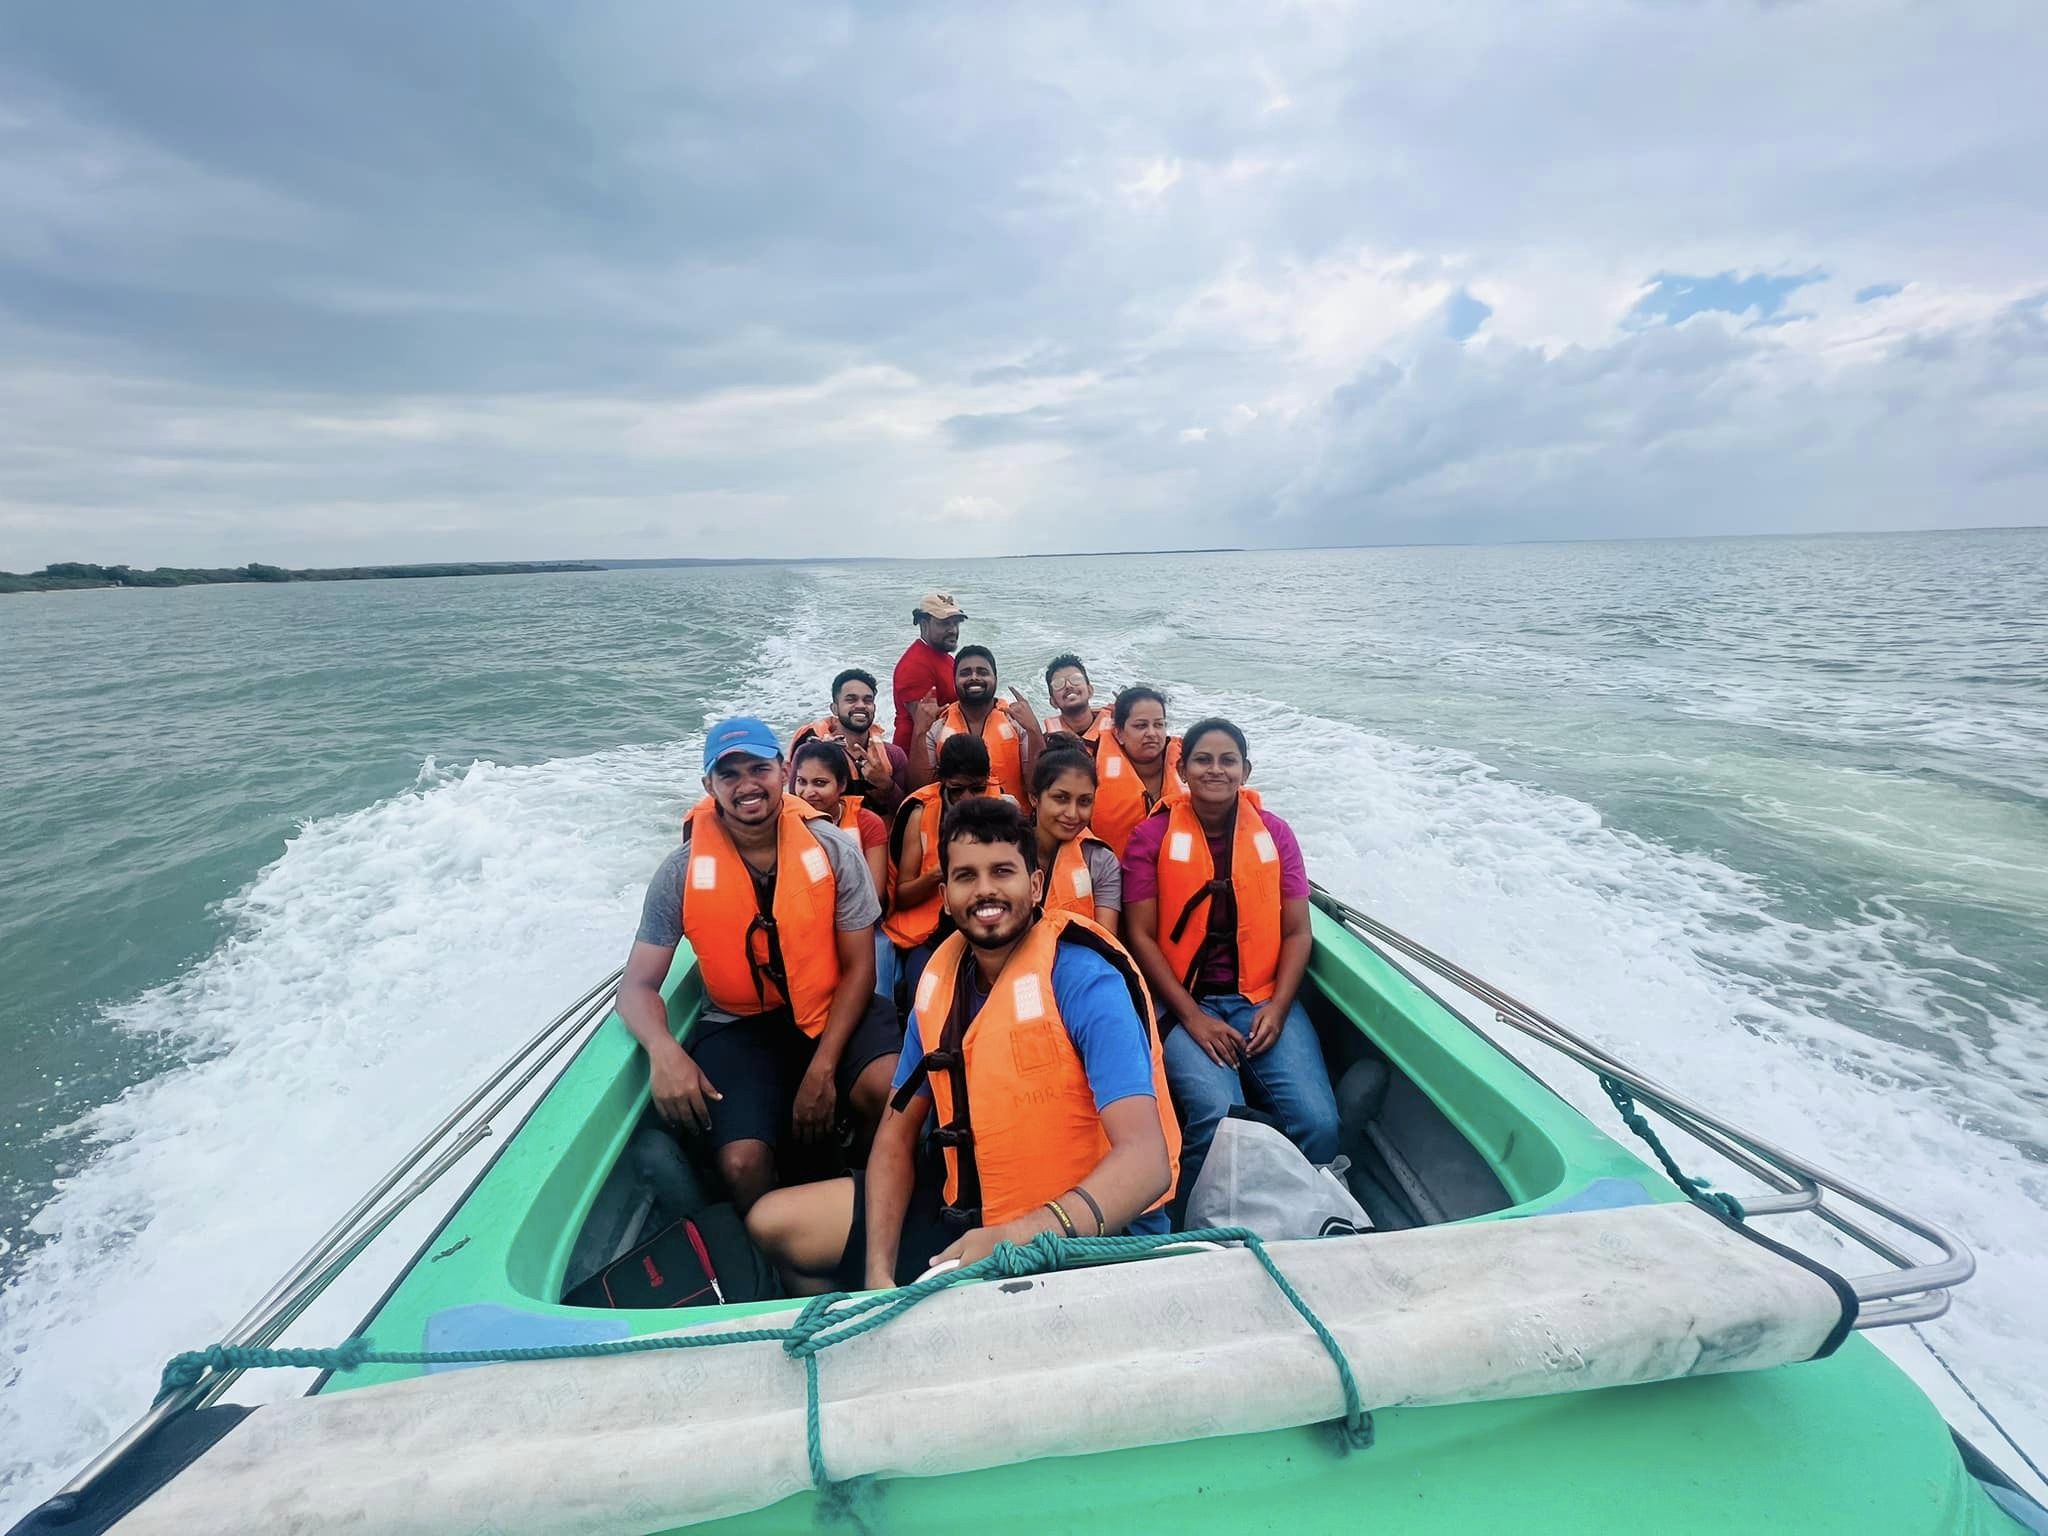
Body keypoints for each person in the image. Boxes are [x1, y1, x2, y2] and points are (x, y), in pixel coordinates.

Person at [746, 796, 1179, 1292]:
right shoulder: (941, 983)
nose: (985, 890)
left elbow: (1146, 1163)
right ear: (946, 895)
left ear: (1035, 885)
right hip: (972, 1213)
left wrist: (1016, 1236)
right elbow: (894, 1135)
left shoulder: (1084, 982)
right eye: (966, 876)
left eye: (1003, 871)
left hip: (1088, 1235)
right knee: (774, 1224)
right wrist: (878, 1272)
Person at [617, 717, 902, 1214]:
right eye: (729, 774)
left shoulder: (834, 850)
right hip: (740, 1026)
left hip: (832, 1010)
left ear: (783, 771)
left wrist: (823, 1068)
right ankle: (773, 1243)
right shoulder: (680, 872)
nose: (746, 784)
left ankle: (863, 1189)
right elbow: (637, 987)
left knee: (889, 1090)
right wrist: (664, 1050)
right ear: (709, 786)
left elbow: (861, 969)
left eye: (758, 769)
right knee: (741, 1164)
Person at [1119, 717, 1339, 1213]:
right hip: (1183, 1005)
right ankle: (1200, 1223)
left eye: (1227, 761)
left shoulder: (1276, 834)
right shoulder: (1151, 836)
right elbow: (1141, 936)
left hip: (1262, 998)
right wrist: (1193, 1018)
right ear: (1182, 769)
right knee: (1218, 1118)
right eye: (1202, 760)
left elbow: (1297, 932)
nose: (1215, 770)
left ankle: (1299, 1217)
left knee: (1319, 1123)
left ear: (1246, 770)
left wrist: (1278, 1008)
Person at [883, 733, 998, 1009]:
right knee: (924, 998)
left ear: (987, 780)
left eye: (977, 788)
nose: (967, 798)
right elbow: (902, 896)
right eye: (957, 789)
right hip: (930, 934)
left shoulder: (1003, 808)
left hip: (989, 923)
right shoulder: (919, 814)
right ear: (942, 781)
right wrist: (938, 873)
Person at [791, 737, 898, 1006]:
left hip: (862, 928)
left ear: (841, 785)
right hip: (803, 926)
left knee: (877, 992)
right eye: (801, 782)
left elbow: (875, 895)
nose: (808, 793)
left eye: (820, 783)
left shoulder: (867, 823)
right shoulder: (785, 823)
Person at [906, 644, 1042, 802]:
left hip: (1010, 815)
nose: (974, 677)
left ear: (995, 678)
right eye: (965, 673)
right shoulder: (938, 726)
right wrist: (919, 731)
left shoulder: (1017, 722)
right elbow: (920, 791)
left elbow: (1037, 786)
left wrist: (1034, 729)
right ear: (954, 681)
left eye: (982, 672)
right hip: (955, 816)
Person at [790, 668, 908, 818]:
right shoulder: (809, 753)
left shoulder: (894, 755)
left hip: (879, 831)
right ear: (835, 709)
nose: (861, 705)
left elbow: (906, 813)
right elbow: (794, 807)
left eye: (867, 700)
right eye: (851, 699)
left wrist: (886, 784)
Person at [1031, 745, 1122, 935]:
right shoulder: (1006, 850)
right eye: (1061, 798)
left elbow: (1106, 940)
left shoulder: (1102, 862)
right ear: (1034, 798)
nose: (1072, 814)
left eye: (1084, 801)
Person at [1090, 685, 1185, 859]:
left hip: (1177, 869)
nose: (1152, 733)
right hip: (1115, 871)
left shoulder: (1191, 767)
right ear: (1119, 734)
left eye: (1159, 725)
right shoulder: (1091, 771)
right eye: (1141, 726)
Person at [891, 591, 965, 752]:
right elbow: (925, 726)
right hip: (917, 756)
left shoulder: (943, 657)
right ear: (924, 624)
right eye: (945, 624)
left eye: (956, 623)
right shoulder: (914, 665)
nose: (953, 630)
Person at [1044, 653, 1112, 749]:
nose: (1068, 686)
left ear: (1090, 691)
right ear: (1053, 702)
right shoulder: (1047, 743)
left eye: (1076, 679)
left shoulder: (1119, 727)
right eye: (1058, 684)